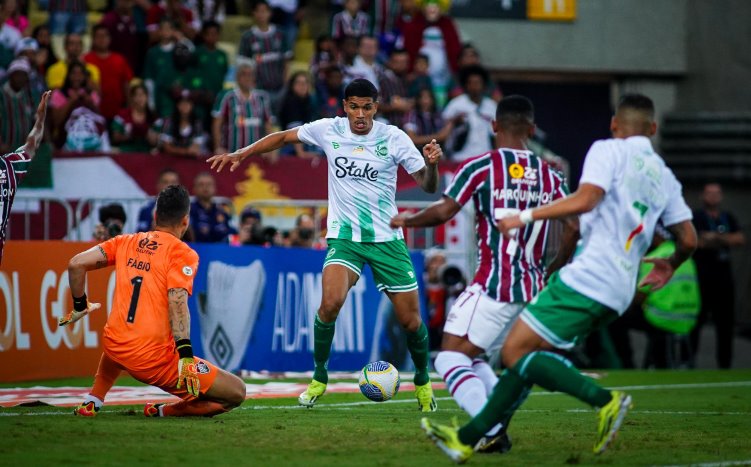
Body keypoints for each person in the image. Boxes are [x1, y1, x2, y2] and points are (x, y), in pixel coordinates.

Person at [420, 94, 698, 462]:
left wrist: (525, 217)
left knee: (514, 353)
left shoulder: (607, 150)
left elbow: (585, 200)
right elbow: (690, 238)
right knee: (521, 357)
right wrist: (672, 262)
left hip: (589, 275)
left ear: (615, 125)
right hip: (622, 287)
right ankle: (469, 439)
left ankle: (606, 401)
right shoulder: (664, 174)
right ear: (654, 128)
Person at [207, 78, 443, 412]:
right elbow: (284, 137)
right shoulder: (328, 130)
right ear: (344, 106)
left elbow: (428, 186)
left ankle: (422, 381)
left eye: (367, 107)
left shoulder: (394, 137)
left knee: (411, 323)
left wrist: (431, 164)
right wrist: (244, 152)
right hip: (344, 238)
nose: (360, 114)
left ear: (376, 107)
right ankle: (319, 378)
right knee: (330, 303)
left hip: (387, 240)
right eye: (354, 106)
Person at [392, 95, 575, 452]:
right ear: (532, 130)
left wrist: (407, 219)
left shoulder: (482, 167)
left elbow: (444, 210)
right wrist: (552, 269)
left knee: (449, 357)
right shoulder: (551, 174)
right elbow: (573, 228)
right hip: (534, 287)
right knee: (478, 358)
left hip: (494, 284)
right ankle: (497, 422)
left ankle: (487, 428)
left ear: (494, 126)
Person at [59, 184, 246, 417]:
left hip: (115, 348)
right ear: (185, 221)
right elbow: (177, 303)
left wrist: (80, 305)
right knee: (236, 392)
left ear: (155, 216)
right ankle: (162, 411)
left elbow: (76, 264)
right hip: (154, 362)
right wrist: (186, 356)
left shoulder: (124, 242)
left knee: (121, 335)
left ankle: (93, 399)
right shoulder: (182, 253)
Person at [609, 226, 700, 369]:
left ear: (657, 236)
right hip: (689, 318)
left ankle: (627, 365)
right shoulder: (686, 257)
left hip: (662, 318)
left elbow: (640, 297)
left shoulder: (656, 257)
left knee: (615, 319)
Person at [690, 182, 745, 368]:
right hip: (701, 277)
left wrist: (715, 238)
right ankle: (689, 362)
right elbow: (695, 241)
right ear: (702, 196)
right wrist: (720, 240)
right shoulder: (696, 217)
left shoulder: (727, 216)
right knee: (696, 321)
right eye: (709, 193)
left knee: (725, 323)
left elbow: (739, 239)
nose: (713, 197)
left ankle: (725, 364)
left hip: (724, 278)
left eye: (716, 193)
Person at [0, 90, 49, 264]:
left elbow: (32, 144)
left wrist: (40, 119)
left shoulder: (9, 166)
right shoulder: (9, 166)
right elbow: (32, 144)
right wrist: (40, 120)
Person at [238, 0, 291, 111]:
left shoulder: (280, 34)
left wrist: (286, 87)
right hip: (258, 89)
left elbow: (287, 63)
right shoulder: (247, 37)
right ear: (254, 13)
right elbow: (243, 67)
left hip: (280, 89)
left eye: (264, 11)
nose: (261, 14)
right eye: (258, 11)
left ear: (270, 13)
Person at [211, 62, 273, 155]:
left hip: (255, 156)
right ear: (237, 77)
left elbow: (268, 125)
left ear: (254, 78)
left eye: (250, 74)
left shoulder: (262, 97)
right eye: (243, 74)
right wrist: (218, 147)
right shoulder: (227, 96)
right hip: (230, 154)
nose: (247, 78)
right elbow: (217, 124)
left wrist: (270, 149)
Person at [49, 60, 109, 152]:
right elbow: (56, 121)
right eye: (74, 73)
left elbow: (100, 119)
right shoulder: (59, 94)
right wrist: (71, 101)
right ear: (68, 75)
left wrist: (89, 102)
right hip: (66, 142)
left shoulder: (91, 94)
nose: (77, 77)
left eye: (80, 74)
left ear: (85, 76)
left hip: (90, 141)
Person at [442, 65, 495, 162]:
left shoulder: (491, 106)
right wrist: (455, 122)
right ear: (466, 85)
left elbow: (496, 134)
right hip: (460, 157)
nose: (474, 86)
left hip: (485, 156)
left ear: (483, 85)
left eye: (477, 83)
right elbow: (443, 128)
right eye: (471, 83)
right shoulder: (456, 104)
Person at [278, 71, 321, 158]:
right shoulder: (290, 102)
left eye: (305, 83)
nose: (302, 86)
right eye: (299, 83)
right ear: (292, 86)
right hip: (290, 146)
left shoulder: (310, 101)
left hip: (307, 142)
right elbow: (294, 129)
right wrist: (301, 153)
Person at [0, 58, 38, 154]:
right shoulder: (1, 95)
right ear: (10, 76)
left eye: (24, 75)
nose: (20, 78)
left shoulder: (29, 95)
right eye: (18, 75)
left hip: (24, 151)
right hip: (4, 149)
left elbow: (37, 120)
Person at [111, 82, 159, 153]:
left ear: (147, 97)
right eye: (137, 95)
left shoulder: (153, 117)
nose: (140, 98)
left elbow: (155, 142)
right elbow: (115, 137)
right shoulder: (122, 115)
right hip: (126, 153)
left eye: (143, 95)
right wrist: (130, 135)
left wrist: (146, 134)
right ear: (132, 98)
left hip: (146, 155)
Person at [158, 91, 208, 158]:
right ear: (177, 105)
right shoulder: (169, 122)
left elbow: (196, 148)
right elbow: (167, 147)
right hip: (172, 160)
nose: (184, 106)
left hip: (191, 161)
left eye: (187, 103)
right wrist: (185, 151)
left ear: (192, 106)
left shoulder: (197, 124)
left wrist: (185, 151)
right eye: (182, 103)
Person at [190, 171, 236, 243]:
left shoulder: (222, 212)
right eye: (201, 185)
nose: (205, 188)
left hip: (221, 251)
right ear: (194, 188)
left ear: (215, 188)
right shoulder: (188, 212)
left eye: (209, 184)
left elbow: (232, 233)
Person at [136, 168, 180, 232]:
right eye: (165, 182)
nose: (170, 186)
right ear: (158, 185)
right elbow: (140, 238)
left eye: (173, 182)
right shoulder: (147, 210)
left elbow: (193, 239)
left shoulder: (188, 210)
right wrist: (154, 228)